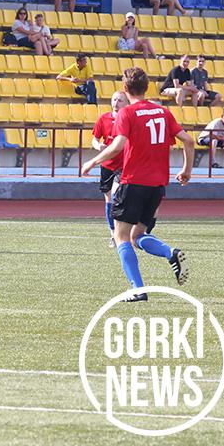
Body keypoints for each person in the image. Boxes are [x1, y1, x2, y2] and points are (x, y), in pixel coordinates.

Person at [81, 67, 193, 301]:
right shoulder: (163, 112)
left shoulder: (127, 113)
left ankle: (138, 290)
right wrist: (186, 171)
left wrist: (93, 161)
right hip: (157, 186)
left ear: (125, 88)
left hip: (133, 182)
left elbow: (118, 145)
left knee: (121, 236)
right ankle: (170, 252)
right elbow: (188, 140)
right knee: (137, 235)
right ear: (147, 87)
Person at [91, 90, 130, 247]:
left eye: (120, 100)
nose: (116, 103)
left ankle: (123, 231)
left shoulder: (129, 119)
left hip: (124, 164)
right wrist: (98, 146)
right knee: (108, 198)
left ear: (126, 103)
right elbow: (94, 139)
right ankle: (113, 233)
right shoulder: (104, 118)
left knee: (116, 195)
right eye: (114, 99)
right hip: (107, 164)